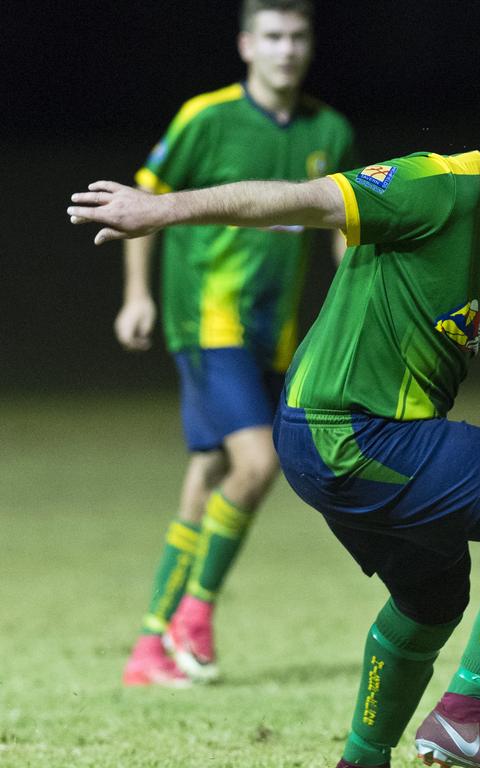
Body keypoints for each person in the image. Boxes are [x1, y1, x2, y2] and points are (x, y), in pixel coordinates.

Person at [70, 63, 480, 768]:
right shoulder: (434, 185)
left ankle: (362, 759)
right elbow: (299, 199)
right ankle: (465, 717)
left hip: (333, 442)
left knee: (433, 598)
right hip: (353, 431)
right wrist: (159, 211)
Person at [114, 0, 357, 687]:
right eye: (273, 37)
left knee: (210, 477)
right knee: (257, 462)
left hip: (270, 331)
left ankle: (150, 647)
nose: (287, 50)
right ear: (247, 45)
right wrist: (138, 296)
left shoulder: (329, 129)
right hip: (206, 322)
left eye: (298, 36)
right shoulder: (207, 117)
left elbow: (342, 223)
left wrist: (359, 295)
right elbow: (145, 197)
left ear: (310, 44)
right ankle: (197, 612)